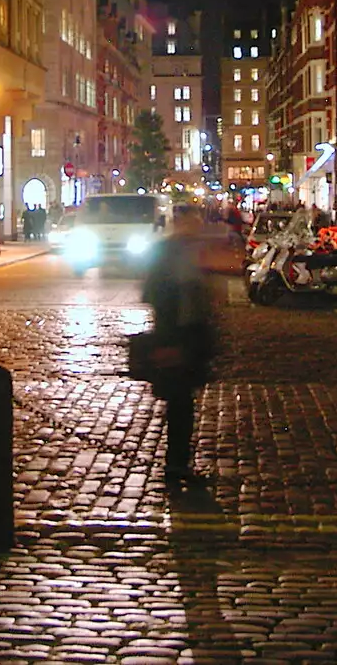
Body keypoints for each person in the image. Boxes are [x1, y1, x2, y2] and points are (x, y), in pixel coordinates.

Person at [140, 205, 221, 492]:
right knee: (180, 405)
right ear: (180, 223)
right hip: (175, 336)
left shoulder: (186, 250)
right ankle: (175, 466)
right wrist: (168, 339)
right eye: (191, 222)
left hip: (189, 336)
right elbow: (155, 294)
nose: (196, 227)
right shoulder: (167, 252)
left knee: (183, 405)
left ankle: (178, 464)